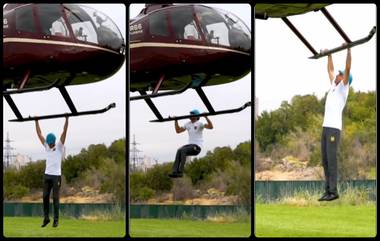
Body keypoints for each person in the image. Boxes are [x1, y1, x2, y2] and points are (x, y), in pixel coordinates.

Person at [318, 46, 352, 202]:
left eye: (340, 74)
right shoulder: (333, 86)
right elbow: (330, 69)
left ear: (344, 79)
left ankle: (334, 192)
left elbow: (347, 67)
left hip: (333, 129)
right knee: (325, 160)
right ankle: (328, 191)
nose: (337, 75)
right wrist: (329, 55)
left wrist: (348, 51)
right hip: (326, 128)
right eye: (338, 74)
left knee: (332, 160)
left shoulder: (344, 88)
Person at [36, 117, 69, 227]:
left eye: (51, 143)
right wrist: (36, 121)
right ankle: (46, 218)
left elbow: (64, 131)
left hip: (56, 177)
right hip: (47, 175)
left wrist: (67, 119)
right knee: (45, 196)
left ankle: (56, 220)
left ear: (54, 142)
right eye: (49, 143)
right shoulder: (46, 146)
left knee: (55, 198)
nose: (50, 145)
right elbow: (39, 134)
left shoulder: (59, 146)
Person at [168, 109, 213, 178]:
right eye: (190, 114)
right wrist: (176, 121)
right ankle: (175, 171)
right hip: (190, 146)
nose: (190, 115)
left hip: (197, 147)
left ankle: (180, 172)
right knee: (179, 150)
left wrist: (206, 117)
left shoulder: (200, 123)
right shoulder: (187, 124)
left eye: (192, 114)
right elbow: (178, 131)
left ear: (196, 116)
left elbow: (211, 127)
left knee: (183, 150)